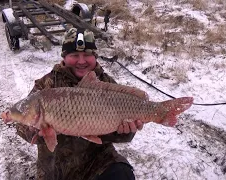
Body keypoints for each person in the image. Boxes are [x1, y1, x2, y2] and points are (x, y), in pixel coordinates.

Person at [15, 27, 143, 180]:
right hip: (56, 167)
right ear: (64, 56)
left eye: (87, 55)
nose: (81, 61)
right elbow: (20, 123)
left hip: (97, 161)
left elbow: (123, 137)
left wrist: (126, 131)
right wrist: (39, 133)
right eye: (75, 55)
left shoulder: (106, 83)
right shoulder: (47, 84)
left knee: (122, 175)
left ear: (95, 56)